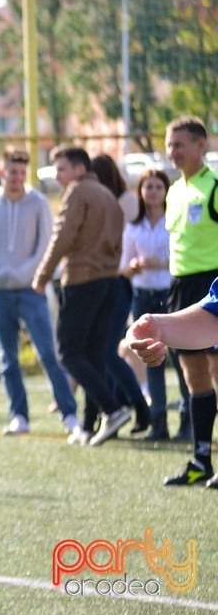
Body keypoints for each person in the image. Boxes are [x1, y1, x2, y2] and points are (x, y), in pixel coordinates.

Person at [0, 147, 78, 437]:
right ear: (0, 172)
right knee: (8, 358)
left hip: (32, 290)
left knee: (48, 353)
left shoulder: (38, 203)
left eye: (21, 172)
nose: (16, 177)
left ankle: (69, 414)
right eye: (11, 171)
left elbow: (45, 244)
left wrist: (24, 272)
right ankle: (19, 416)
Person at [32, 145, 132, 446]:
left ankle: (113, 409)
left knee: (69, 353)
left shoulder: (77, 192)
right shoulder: (106, 194)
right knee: (93, 354)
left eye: (61, 168)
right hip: (108, 281)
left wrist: (42, 275)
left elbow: (62, 236)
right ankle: (90, 425)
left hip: (81, 279)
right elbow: (118, 241)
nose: (58, 176)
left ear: (78, 168)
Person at [157, 115, 218, 487]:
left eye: (180, 144)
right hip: (180, 287)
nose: (173, 152)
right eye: (169, 145)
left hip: (212, 287)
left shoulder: (214, 186)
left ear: (201, 145)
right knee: (193, 377)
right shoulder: (174, 190)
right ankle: (200, 460)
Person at [90, 153, 151, 435]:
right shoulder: (97, 199)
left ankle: (137, 406)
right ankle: (105, 412)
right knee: (96, 352)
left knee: (106, 350)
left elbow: (115, 242)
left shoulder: (125, 202)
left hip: (118, 281)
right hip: (99, 281)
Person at [119, 168, 174, 439]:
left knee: (184, 358)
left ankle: (188, 419)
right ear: (140, 192)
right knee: (152, 360)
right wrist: (133, 266)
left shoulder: (174, 222)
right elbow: (123, 266)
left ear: (166, 192)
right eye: (147, 186)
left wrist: (158, 263)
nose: (152, 191)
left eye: (158, 187)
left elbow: (181, 259)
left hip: (170, 293)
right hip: (143, 297)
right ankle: (159, 422)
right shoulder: (133, 227)